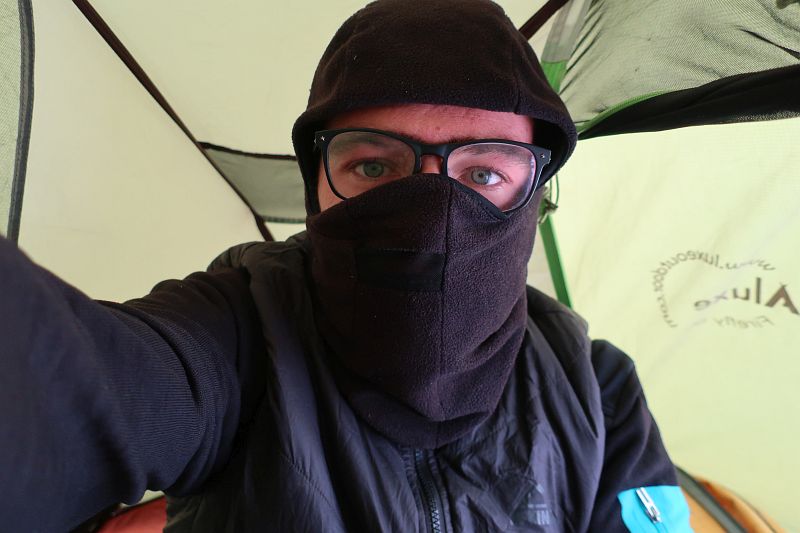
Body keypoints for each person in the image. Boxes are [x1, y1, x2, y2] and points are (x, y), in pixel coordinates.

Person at [0, 0, 692, 531]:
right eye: (374, 166)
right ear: (317, 187)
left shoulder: (596, 387)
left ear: (536, 193)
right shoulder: (239, 333)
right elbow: (74, 383)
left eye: (484, 173)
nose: (432, 208)